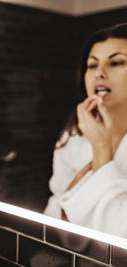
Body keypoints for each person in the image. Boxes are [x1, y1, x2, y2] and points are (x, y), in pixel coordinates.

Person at [44, 23, 127, 236]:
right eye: (92, 65)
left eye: (116, 62)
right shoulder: (73, 136)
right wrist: (65, 204)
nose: (99, 73)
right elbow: (53, 213)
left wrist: (101, 151)